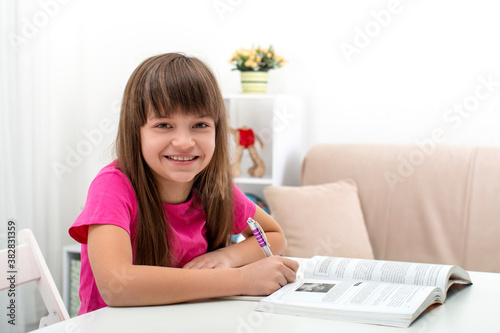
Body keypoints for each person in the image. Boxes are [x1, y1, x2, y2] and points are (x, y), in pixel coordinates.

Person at [69, 53, 298, 315]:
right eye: (164, 125)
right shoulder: (112, 187)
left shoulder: (214, 185)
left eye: (199, 124)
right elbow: (116, 285)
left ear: (217, 130)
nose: (184, 142)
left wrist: (226, 257)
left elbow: (273, 236)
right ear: (136, 131)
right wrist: (242, 279)